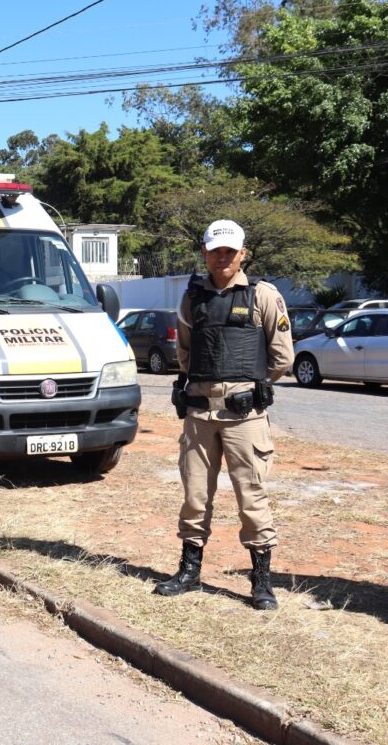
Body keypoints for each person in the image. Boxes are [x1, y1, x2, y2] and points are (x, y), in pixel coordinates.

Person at [156, 219, 293, 610]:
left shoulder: (263, 295)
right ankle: (189, 571)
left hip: (244, 416)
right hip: (199, 413)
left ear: (242, 254)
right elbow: (184, 351)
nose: (222, 257)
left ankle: (261, 582)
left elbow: (283, 357)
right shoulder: (192, 298)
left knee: (252, 496)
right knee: (195, 496)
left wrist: (251, 386)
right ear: (205, 253)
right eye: (215, 250)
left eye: (230, 251)